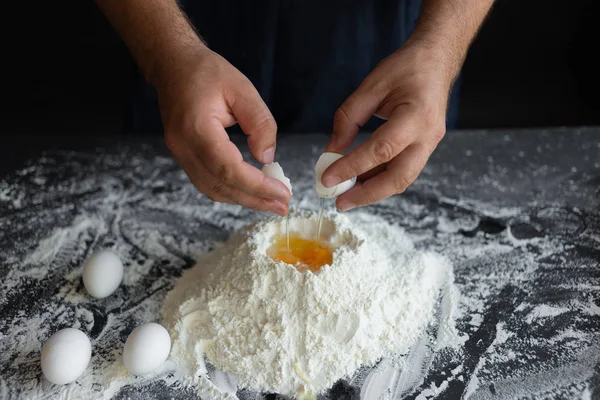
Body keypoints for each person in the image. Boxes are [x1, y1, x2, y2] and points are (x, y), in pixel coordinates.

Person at [96, 0, 494, 216]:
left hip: (375, 33)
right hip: (186, 22)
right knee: (187, 155)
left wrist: (439, 48)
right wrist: (169, 55)